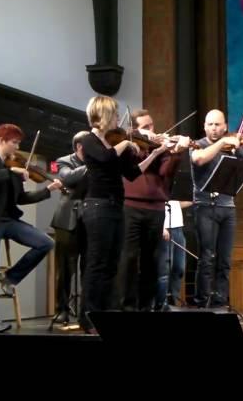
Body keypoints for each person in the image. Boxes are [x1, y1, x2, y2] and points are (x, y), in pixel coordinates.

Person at [79, 96, 171, 333]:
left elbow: (131, 173)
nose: (119, 119)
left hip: (114, 207)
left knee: (111, 264)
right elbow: (104, 158)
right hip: (97, 206)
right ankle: (88, 316)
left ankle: (104, 314)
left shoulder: (115, 142)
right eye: (116, 114)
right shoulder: (89, 140)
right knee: (97, 263)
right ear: (105, 115)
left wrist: (154, 152)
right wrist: (126, 144)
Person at [0, 123, 62, 332]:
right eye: (14, 142)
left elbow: (22, 198)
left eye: (18, 143)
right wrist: (11, 171)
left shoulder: (15, 168)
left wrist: (48, 189)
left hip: (8, 220)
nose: (17, 147)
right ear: (1, 140)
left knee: (46, 242)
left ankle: (10, 277)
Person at [190, 109, 243, 308]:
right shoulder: (199, 144)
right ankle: (202, 302)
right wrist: (222, 143)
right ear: (204, 126)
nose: (214, 128)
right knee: (207, 257)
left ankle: (220, 302)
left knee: (225, 260)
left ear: (225, 127)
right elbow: (199, 159)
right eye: (210, 124)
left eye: (217, 124)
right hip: (204, 207)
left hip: (227, 207)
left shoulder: (234, 148)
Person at [115, 109, 190, 312]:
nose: (152, 130)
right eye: (145, 127)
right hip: (130, 206)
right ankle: (127, 307)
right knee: (129, 258)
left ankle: (146, 307)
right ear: (133, 129)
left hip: (156, 208)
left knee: (152, 260)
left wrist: (175, 153)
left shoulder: (161, 147)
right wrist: (144, 145)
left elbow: (166, 172)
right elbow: (130, 167)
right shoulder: (127, 146)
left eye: (151, 126)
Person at [50, 130, 90, 324]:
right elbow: (68, 178)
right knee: (65, 268)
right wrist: (93, 164)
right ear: (80, 147)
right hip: (68, 220)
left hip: (90, 219)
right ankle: (61, 309)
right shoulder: (63, 160)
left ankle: (87, 312)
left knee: (89, 268)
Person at [156, 199, 193, 310]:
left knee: (179, 268)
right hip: (165, 228)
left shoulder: (177, 189)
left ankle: (173, 300)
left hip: (178, 229)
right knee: (165, 269)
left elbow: (177, 204)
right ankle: (162, 302)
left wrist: (193, 200)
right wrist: (161, 227)